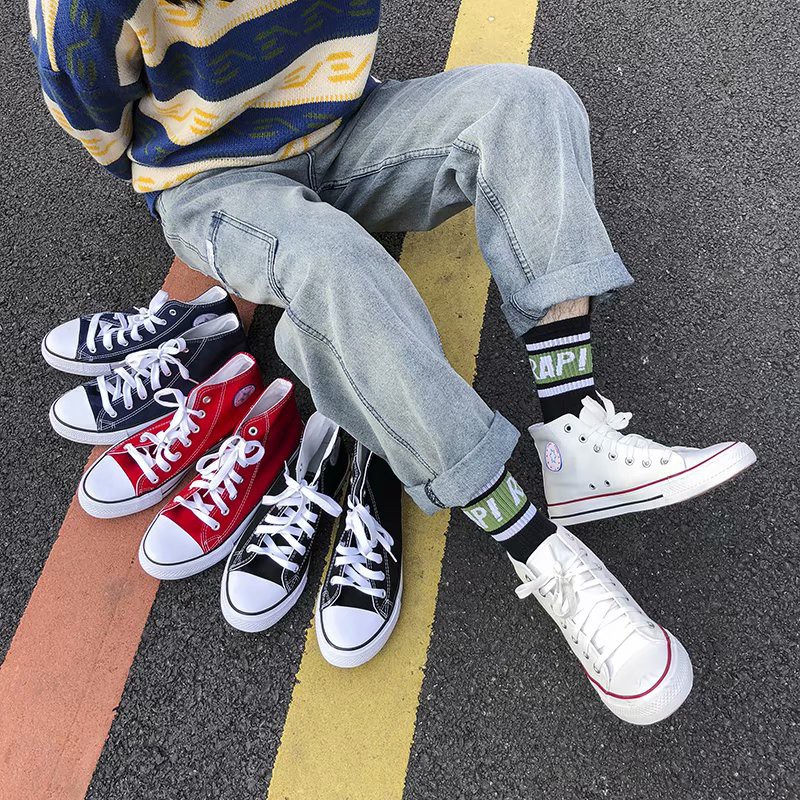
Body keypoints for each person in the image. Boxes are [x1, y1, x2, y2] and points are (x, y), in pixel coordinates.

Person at [30, 0, 755, 724]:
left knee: (530, 103)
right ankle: (540, 551)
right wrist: (168, 156)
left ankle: (576, 437)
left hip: (343, 124)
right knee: (335, 270)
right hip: (210, 178)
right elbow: (87, 108)